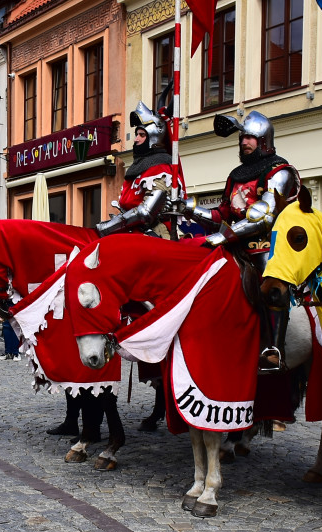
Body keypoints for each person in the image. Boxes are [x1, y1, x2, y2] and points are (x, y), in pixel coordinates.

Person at [193, 110, 300, 369]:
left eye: (250, 137)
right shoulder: (236, 175)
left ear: (264, 139)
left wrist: (225, 235)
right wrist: (188, 208)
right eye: (242, 137)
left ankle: (273, 348)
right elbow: (223, 213)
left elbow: (264, 217)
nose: (244, 142)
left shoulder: (279, 171)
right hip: (237, 246)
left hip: (268, 244)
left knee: (272, 285)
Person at [96, 101, 181, 237]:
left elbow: (146, 212)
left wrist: (107, 227)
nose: (136, 139)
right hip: (133, 230)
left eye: (142, 135)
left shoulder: (160, 167)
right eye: (137, 134)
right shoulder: (139, 167)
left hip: (155, 234)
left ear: (154, 137)